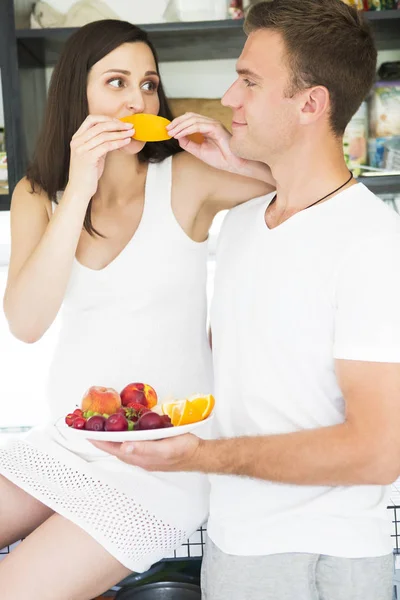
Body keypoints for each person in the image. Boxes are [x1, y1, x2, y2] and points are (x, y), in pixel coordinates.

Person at [94, 2, 400, 599]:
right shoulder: (242, 223)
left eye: (250, 82)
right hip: (234, 545)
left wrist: (201, 457)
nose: (228, 97)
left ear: (311, 103)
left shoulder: (373, 241)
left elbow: (376, 453)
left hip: (317, 560)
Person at [0, 19, 274, 600]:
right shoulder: (38, 194)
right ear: (79, 95)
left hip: (160, 469)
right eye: (117, 83)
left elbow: (308, 187)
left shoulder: (190, 178)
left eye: (147, 85)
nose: (136, 101)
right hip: (65, 445)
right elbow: (26, 323)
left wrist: (232, 157)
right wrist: (77, 189)